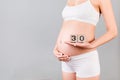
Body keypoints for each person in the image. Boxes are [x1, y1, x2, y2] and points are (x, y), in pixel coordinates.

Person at [53, 0, 118, 80]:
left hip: (85, 60)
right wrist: (57, 47)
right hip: (66, 61)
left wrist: (92, 44)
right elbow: (66, 24)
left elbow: (113, 31)